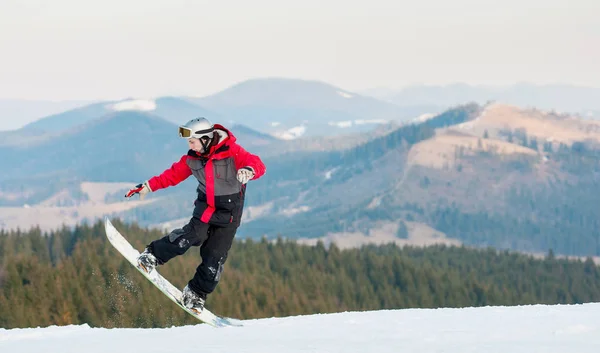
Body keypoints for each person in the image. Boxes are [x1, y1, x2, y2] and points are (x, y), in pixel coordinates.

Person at [124, 117, 266, 313]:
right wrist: (148, 186)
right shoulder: (193, 158)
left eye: (192, 141)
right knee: (190, 237)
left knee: (214, 258)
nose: (190, 146)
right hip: (206, 208)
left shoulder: (232, 151)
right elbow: (172, 175)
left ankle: (195, 294)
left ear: (206, 139)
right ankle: (152, 255)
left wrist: (249, 170)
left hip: (229, 215)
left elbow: (256, 163)